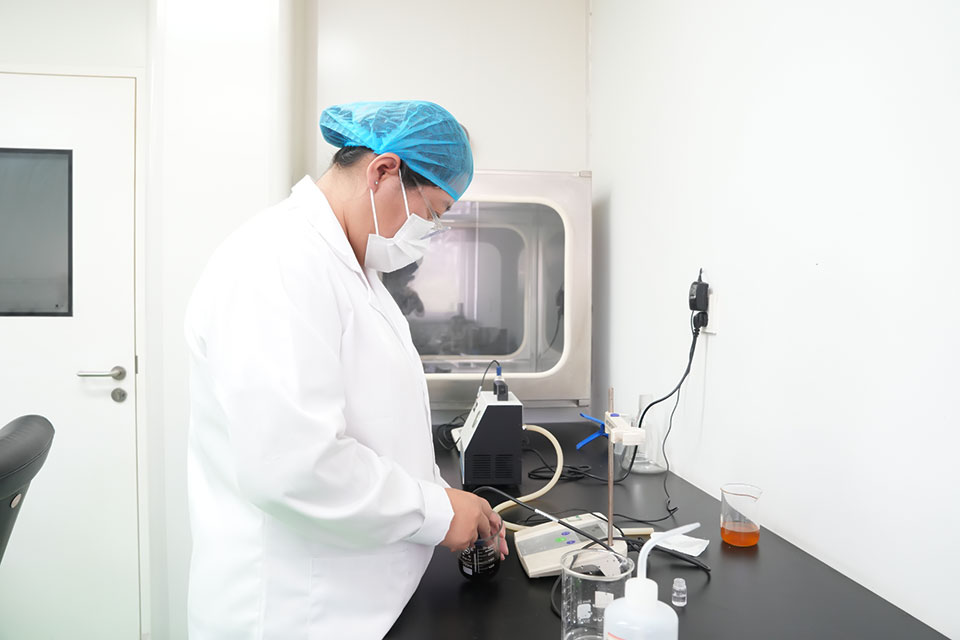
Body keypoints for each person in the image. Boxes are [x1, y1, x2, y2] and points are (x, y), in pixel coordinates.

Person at [184, 100, 507, 639]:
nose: (430, 233)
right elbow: (295, 466)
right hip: (297, 614)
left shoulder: (353, 268)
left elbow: (376, 428)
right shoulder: (277, 263)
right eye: (433, 213)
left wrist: (450, 502)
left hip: (361, 603)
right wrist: (435, 511)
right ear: (383, 171)